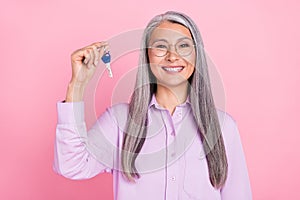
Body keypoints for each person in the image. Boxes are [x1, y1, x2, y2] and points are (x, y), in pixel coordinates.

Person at [53, 11, 252, 199]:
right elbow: (71, 165)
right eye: (161, 46)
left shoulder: (224, 127)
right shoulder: (119, 121)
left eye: (183, 46)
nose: (172, 56)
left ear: (196, 55)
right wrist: (77, 86)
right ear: (147, 56)